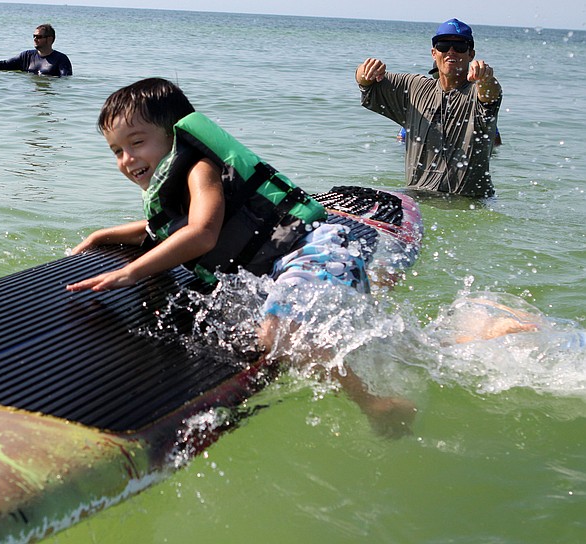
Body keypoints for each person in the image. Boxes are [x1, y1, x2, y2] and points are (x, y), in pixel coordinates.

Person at [66, 78, 415, 437]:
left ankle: (374, 401)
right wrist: (100, 235)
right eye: (116, 151)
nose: (127, 159)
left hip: (312, 251)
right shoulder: (174, 184)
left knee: (276, 335)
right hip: (280, 266)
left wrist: (133, 272)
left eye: (137, 142)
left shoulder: (200, 169)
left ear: (175, 134)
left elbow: (202, 233)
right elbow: (160, 231)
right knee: (302, 335)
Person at [356, 18, 502, 198]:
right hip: (418, 197)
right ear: (434, 53)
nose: (451, 51)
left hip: (469, 202)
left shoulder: (476, 92)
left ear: (471, 54)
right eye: (443, 45)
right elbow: (366, 84)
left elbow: (491, 96)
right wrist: (366, 71)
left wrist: (486, 79)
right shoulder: (414, 88)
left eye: (460, 46)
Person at [0, 24, 72, 77]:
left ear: (50, 39)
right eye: (34, 36)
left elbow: (65, 81)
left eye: (39, 36)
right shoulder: (27, 56)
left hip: (49, 93)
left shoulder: (61, 59)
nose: (35, 39)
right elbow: (4, 65)